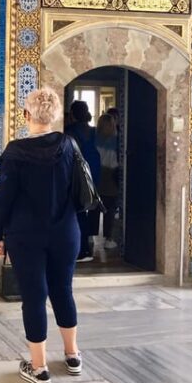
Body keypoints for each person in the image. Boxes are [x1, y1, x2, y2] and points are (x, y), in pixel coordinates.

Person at [0, 87, 83, 383]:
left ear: (26, 115)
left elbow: (3, 198)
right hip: (66, 232)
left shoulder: (16, 152)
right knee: (63, 290)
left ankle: (39, 367)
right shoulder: (69, 145)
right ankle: (72, 356)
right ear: (55, 115)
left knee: (34, 296)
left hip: (26, 235)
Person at [65, 100, 101, 262]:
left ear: (72, 114)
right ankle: (88, 243)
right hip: (94, 170)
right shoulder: (94, 131)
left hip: (78, 173)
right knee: (91, 205)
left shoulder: (70, 131)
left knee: (78, 209)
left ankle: (81, 248)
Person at [96, 113, 119, 250]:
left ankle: (89, 237)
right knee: (110, 209)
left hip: (96, 175)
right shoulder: (116, 141)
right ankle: (108, 238)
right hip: (110, 176)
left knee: (93, 209)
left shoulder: (94, 140)